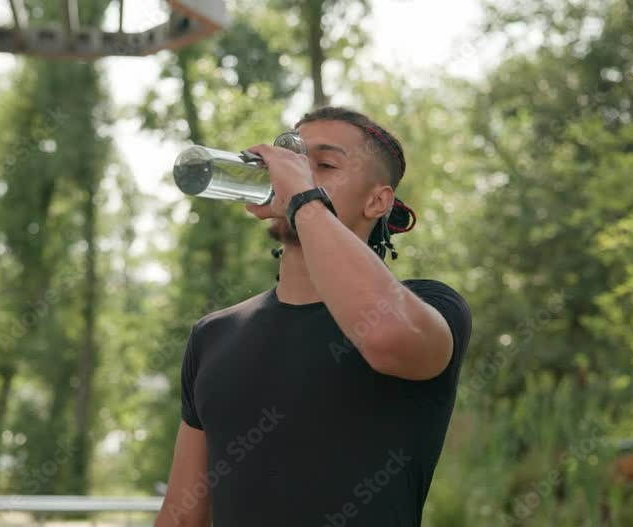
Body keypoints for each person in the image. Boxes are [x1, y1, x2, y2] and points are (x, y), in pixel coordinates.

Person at [154, 106, 472, 527]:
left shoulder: (431, 306)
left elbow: (387, 339)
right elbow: (182, 516)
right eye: (292, 160)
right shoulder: (214, 335)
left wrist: (305, 200)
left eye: (322, 164)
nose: (294, 174)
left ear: (378, 201)